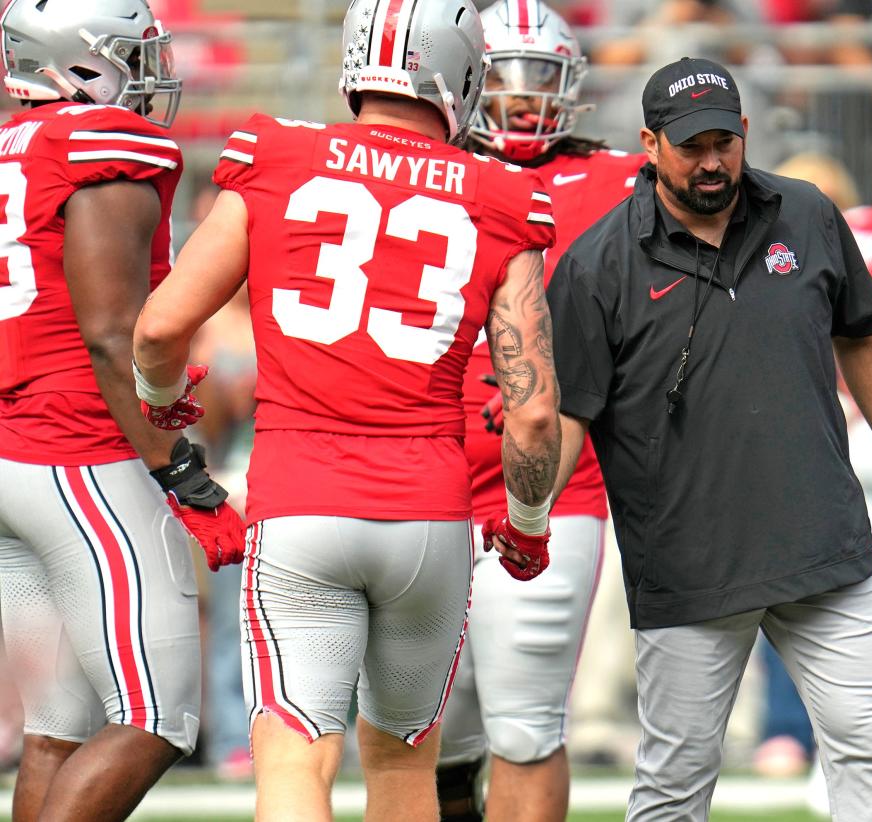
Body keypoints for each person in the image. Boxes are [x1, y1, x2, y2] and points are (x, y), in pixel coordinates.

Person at [132, 0, 563, 818]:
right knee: (403, 770)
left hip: (300, 503)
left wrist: (162, 404)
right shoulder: (504, 193)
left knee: (295, 759)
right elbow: (534, 413)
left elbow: (158, 327)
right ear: (463, 71)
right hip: (430, 516)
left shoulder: (280, 153)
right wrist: (531, 521)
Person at [545, 56, 872, 821]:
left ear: (746, 131)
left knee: (869, 753)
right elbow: (566, 415)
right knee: (675, 785)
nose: (712, 160)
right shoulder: (595, 265)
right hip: (687, 561)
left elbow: (865, 343)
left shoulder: (809, 214)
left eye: (724, 140)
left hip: (823, 545)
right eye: (691, 145)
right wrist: (524, 513)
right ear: (649, 144)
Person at [0, 2, 245, 820]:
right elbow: (111, 334)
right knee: (158, 716)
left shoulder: (13, 143)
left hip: (16, 454)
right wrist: (179, 470)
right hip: (79, 454)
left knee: (57, 726)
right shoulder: (101, 141)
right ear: (77, 62)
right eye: (129, 56)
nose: (149, 73)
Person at [435, 2, 645, 820]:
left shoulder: (622, 180)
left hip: (560, 477)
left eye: (539, 79)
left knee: (526, 726)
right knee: (429, 727)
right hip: (425, 466)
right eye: (499, 78)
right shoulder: (423, 165)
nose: (521, 99)